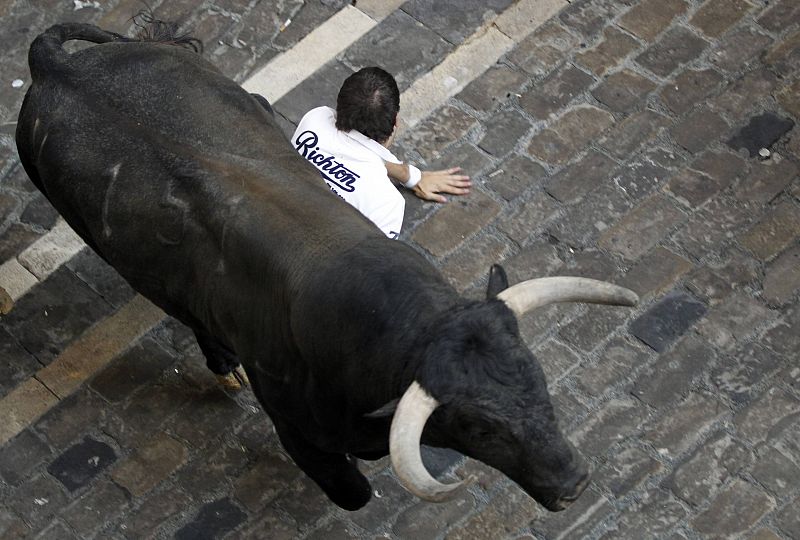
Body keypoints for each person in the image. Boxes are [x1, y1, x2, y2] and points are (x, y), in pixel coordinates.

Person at [291, 67, 470, 239]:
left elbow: (358, 152)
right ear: (395, 123)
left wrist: (410, 176)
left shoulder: (315, 120)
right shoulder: (387, 204)